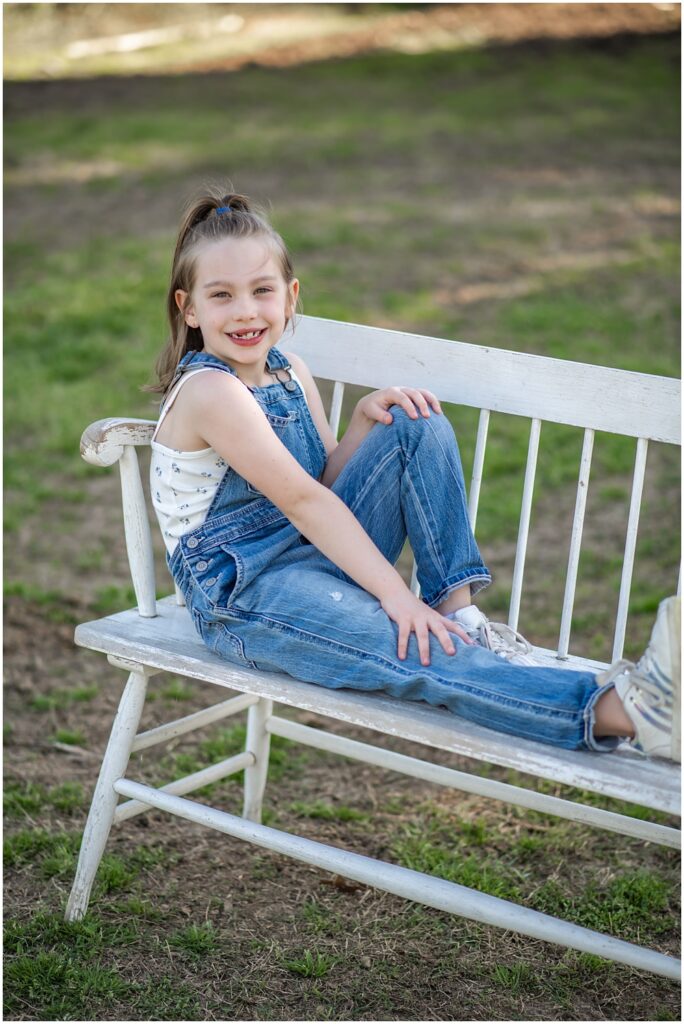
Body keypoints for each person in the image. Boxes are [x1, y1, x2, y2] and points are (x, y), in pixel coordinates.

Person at [147, 188, 680, 763]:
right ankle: (622, 711)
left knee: (412, 423)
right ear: (190, 308)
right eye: (222, 296)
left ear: (290, 297)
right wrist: (399, 598)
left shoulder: (289, 372)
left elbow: (322, 484)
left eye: (261, 290)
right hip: (243, 595)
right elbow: (305, 502)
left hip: (311, 550)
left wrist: (359, 427)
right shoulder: (209, 391)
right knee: (417, 647)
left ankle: (458, 610)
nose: (246, 311)